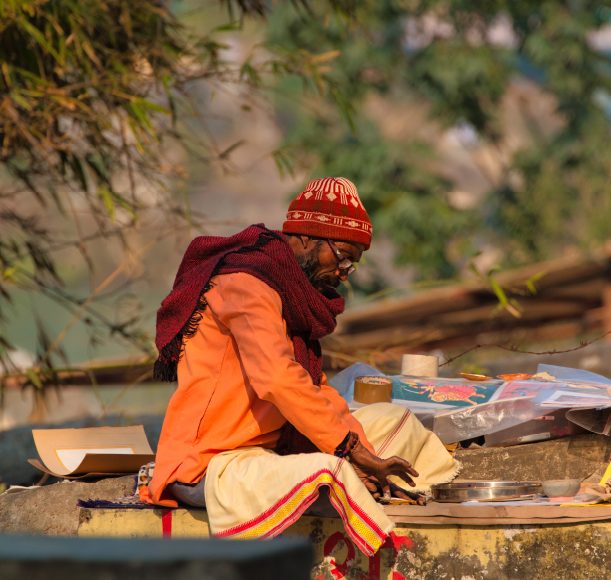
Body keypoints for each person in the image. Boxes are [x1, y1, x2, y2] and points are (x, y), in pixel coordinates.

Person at [141, 177, 454, 555]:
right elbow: (278, 378)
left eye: (352, 263)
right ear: (306, 238)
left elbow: (313, 388)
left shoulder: (289, 289)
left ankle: (370, 483)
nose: (344, 271)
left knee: (395, 419)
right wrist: (351, 453)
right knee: (330, 471)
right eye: (342, 256)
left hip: (274, 452)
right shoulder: (245, 282)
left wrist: (368, 459)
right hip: (213, 464)